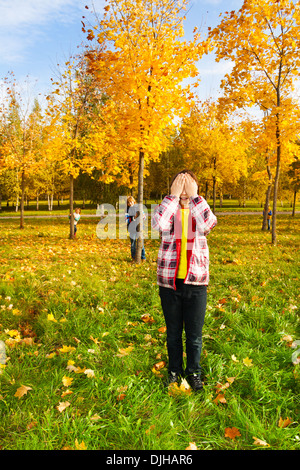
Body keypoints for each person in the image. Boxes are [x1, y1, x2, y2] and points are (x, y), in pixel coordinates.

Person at [151, 170, 217, 391]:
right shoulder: (169, 210)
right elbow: (158, 225)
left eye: (188, 186)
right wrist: (172, 196)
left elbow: (208, 224)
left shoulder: (200, 210)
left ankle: (194, 372)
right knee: (173, 333)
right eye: (180, 186)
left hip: (196, 282)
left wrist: (195, 197)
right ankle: (174, 371)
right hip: (170, 283)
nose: (184, 191)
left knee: (194, 336)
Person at [125, 196, 146, 261]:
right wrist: (134, 217)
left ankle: (143, 257)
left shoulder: (138, 208)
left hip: (139, 228)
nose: (130, 203)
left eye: (131, 202)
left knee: (141, 243)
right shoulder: (127, 210)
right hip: (132, 229)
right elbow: (126, 220)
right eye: (128, 202)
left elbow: (144, 217)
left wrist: (142, 216)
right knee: (133, 244)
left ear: (134, 202)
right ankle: (133, 257)